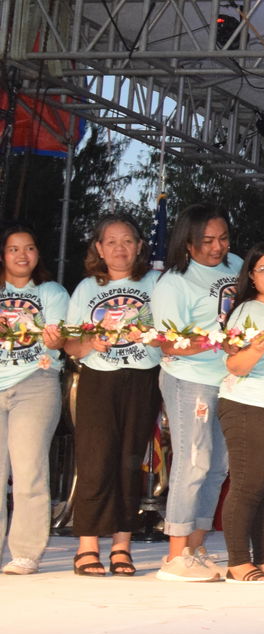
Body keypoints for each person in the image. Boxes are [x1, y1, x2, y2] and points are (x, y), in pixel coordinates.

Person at [64, 217, 162, 577]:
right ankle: (87, 546)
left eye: (127, 241)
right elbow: (70, 344)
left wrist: (150, 335)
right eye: (111, 242)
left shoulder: (157, 283)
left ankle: (122, 545)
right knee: (95, 460)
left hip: (142, 378)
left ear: (139, 246)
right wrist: (90, 342)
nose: (120, 248)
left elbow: (173, 334)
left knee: (129, 461)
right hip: (98, 381)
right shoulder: (87, 287)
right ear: (99, 249)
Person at [151, 204, 241, 582]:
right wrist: (218, 341)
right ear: (187, 244)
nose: (217, 247)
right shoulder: (175, 282)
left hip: (231, 381)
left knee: (218, 467)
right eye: (206, 241)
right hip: (191, 379)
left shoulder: (238, 267)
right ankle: (175, 555)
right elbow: (168, 343)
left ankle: (196, 548)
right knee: (193, 462)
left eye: (223, 238)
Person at [217, 243, 264, 583]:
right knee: (250, 483)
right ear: (251, 276)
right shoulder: (247, 311)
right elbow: (235, 365)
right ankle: (237, 562)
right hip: (250, 403)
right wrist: (257, 348)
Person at [0, 226, 68, 576]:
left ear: (38, 253)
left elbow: (58, 341)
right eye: (13, 249)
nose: (22, 255)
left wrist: (56, 341)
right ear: (3, 255)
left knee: (29, 470)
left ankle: (26, 552)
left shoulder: (51, 292)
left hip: (35, 384)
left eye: (28, 248)